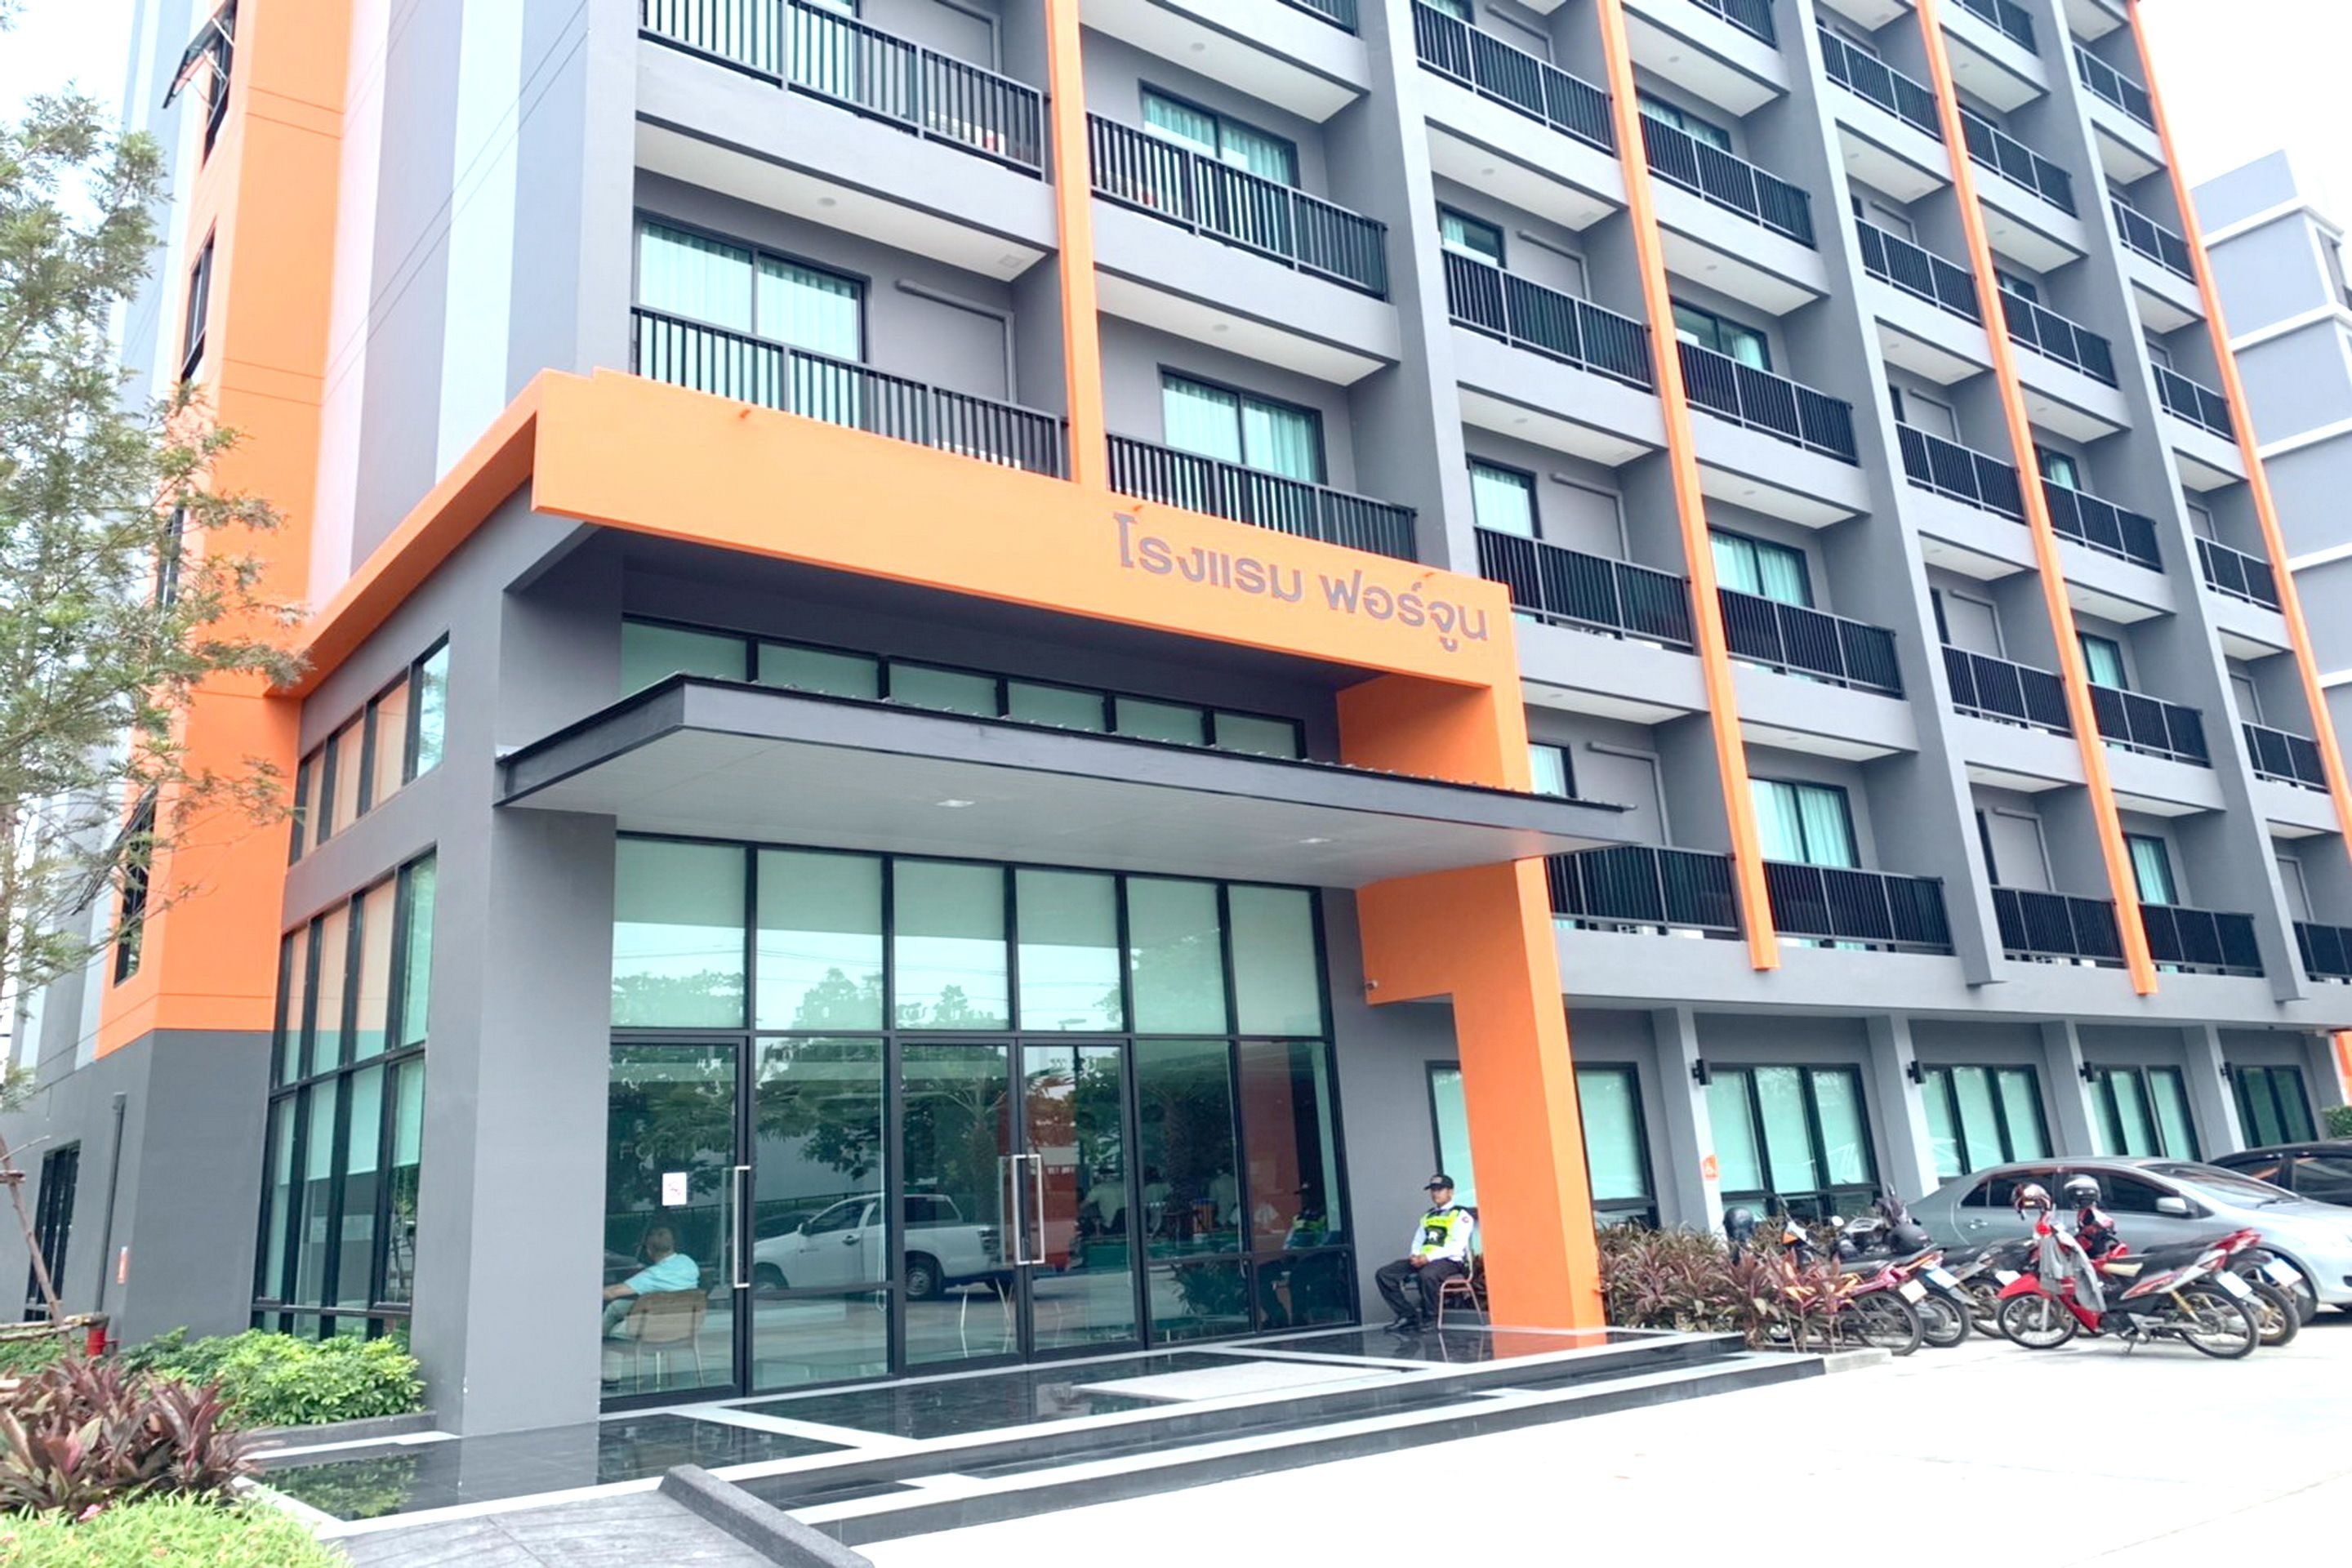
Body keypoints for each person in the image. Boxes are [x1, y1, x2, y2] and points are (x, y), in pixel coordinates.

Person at [1373, 1174, 1475, 1332]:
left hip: (1450, 1261)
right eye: (1433, 1190)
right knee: (1385, 1274)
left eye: (1440, 1189)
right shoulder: (1428, 1215)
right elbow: (1418, 1239)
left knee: (1427, 1275)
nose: (1435, 1193)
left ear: (1450, 1192)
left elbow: (1456, 1246)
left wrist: (1428, 1258)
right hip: (1424, 1259)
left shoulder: (1461, 1215)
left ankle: (1431, 1319)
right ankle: (1407, 1315)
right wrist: (1415, 1255)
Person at [602, 1225, 702, 1336]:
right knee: (616, 1306)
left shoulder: (653, 1275)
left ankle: (600, 1342)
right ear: (672, 1244)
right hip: (684, 1319)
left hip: (658, 1320)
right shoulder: (687, 1261)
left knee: (617, 1334)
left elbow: (611, 1293)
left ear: (649, 1249)